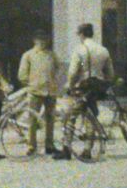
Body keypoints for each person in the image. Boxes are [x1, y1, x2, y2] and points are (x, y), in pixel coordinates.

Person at [66, 22, 114, 157]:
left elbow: (73, 72)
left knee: (71, 115)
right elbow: (110, 74)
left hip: (84, 87)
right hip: (97, 88)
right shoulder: (103, 50)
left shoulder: (80, 50)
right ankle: (87, 149)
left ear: (81, 35)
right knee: (91, 117)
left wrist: (70, 86)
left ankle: (66, 149)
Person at [16, 30, 66, 158]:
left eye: (45, 39)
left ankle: (49, 145)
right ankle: (31, 146)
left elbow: (60, 68)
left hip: (50, 91)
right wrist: (32, 83)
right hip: (35, 92)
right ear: (34, 40)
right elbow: (22, 75)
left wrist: (55, 79)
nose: (43, 42)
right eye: (40, 39)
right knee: (32, 120)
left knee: (50, 119)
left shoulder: (51, 55)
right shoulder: (28, 55)